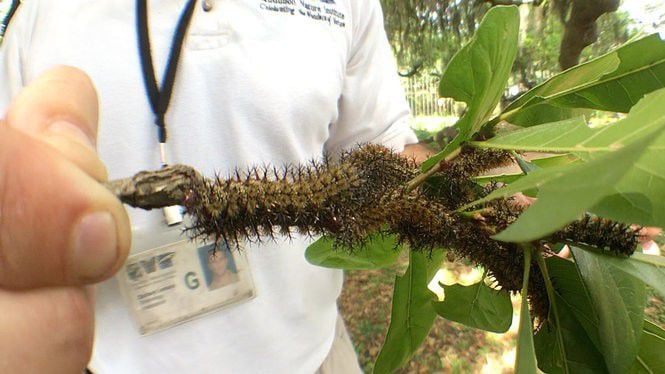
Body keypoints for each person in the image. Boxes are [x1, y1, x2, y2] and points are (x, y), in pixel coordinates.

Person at [0, 0, 430, 372]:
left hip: (311, 357)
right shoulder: (37, 16)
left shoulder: (346, 6)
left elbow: (383, 158)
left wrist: (466, 187)